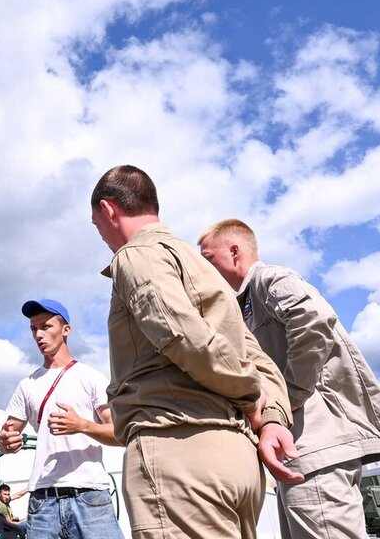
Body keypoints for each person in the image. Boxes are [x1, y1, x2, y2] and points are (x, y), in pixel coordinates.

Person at [90, 165, 299, 539]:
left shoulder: (134, 255)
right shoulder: (199, 266)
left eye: (96, 226)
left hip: (178, 450)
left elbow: (181, 335)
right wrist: (271, 420)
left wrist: (250, 397)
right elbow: (256, 355)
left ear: (108, 210)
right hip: (238, 460)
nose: (102, 237)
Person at [199, 218, 380, 538]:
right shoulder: (246, 304)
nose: (205, 270)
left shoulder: (271, 278)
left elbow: (313, 321)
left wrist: (286, 400)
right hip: (297, 450)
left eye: (208, 259)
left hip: (315, 442)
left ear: (235, 250)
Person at [0, 299, 124, 539]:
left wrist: (83, 426)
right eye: (34, 329)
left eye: (46, 326)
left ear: (66, 330)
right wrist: (4, 441)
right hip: (43, 501)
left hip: (90, 496)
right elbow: (5, 437)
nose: (38, 335)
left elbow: (120, 433)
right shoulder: (27, 384)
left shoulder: (90, 377)